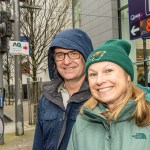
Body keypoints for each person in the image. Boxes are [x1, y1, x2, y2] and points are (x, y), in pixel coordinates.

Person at [67, 39, 150, 150]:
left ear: (128, 76)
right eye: (93, 74)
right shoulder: (82, 122)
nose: (99, 81)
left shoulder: (146, 115)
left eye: (108, 71)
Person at [32, 28, 93, 150]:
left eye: (74, 53)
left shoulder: (99, 98)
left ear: (86, 56)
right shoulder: (46, 99)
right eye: (60, 55)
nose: (66, 61)